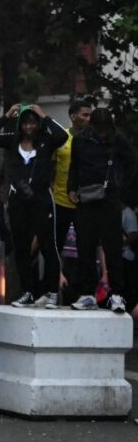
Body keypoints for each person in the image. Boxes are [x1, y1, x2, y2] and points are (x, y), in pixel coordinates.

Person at [0, 103, 67, 308]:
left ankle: (52, 292)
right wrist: (7, 115)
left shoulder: (46, 141)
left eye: (32, 123)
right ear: (20, 125)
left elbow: (62, 136)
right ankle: (28, 291)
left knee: (48, 246)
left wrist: (43, 115)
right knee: (21, 248)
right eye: (25, 123)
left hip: (41, 199)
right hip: (18, 200)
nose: (29, 127)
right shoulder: (13, 142)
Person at [68, 108, 138, 312]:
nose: (102, 133)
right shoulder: (81, 140)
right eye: (99, 129)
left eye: (104, 129)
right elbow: (74, 165)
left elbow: (132, 163)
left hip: (109, 199)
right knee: (85, 247)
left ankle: (116, 293)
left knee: (113, 246)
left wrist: (121, 188)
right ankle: (87, 293)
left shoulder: (118, 140)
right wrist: (72, 188)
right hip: (87, 198)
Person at [52, 100, 93, 291]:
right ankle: (51, 289)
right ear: (73, 116)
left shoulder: (93, 139)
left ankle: (86, 291)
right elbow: (50, 166)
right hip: (60, 201)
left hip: (84, 203)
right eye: (84, 114)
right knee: (54, 247)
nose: (88, 118)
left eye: (90, 115)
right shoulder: (62, 138)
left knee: (86, 248)